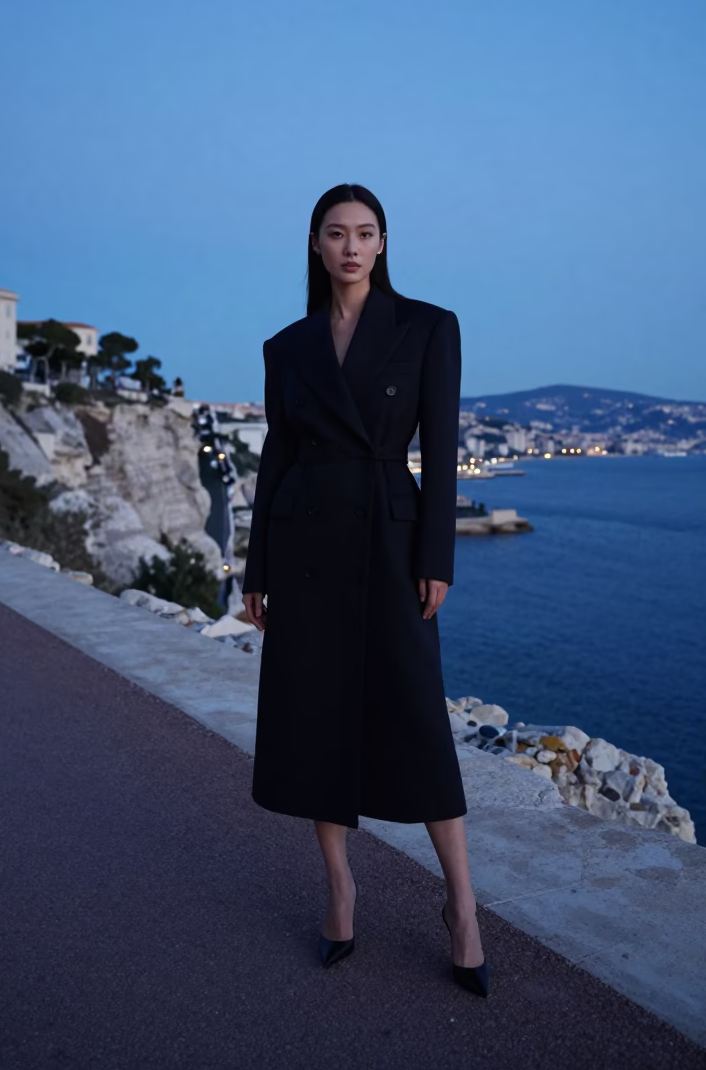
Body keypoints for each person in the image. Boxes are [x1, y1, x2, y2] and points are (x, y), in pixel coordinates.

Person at [242, 183, 489, 996]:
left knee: (417, 714)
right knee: (316, 715)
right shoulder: (288, 346)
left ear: (383, 243)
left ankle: (461, 906)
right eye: (336, 233)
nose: (351, 246)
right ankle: (340, 889)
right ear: (315, 245)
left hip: (390, 539)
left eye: (365, 232)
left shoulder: (428, 326)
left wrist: (437, 555)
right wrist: (257, 568)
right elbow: (276, 460)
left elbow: (443, 451)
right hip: (306, 542)